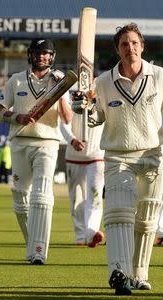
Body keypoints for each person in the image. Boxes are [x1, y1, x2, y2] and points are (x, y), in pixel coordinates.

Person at [72, 23, 163, 295]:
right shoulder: (104, 82)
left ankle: (139, 274)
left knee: (147, 221)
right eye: (124, 44)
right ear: (117, 50)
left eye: (134, 43)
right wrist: (83, 107)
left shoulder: (159, 76)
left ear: (142, 46)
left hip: (154, 156)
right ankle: (118, 273)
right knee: (119, 214)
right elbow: (97, 118)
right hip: (119, 156)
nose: (129, 48)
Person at [0, 39, 73, 265]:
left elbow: (67, 118)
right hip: (19, 142)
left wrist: (62, 90)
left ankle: (39, 251)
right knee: (20, 197)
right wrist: (18, 117)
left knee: (42, 195)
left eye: (46, 53)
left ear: (52, 56)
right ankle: (33, 244)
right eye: (38, 53)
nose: (42, 57)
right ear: (31, 55)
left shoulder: (60, 81)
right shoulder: (16, 80)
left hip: (47, 142)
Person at [60, 87, 105, 248]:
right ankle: (80, 235)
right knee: (76, 197)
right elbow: (64, 122)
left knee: (95, 194)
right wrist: (72, 140)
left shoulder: (104, 91)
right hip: (74, 156)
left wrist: (93, 99)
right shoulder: (69, 93)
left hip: (96, 154)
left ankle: (92, 232)